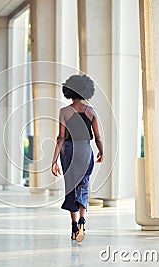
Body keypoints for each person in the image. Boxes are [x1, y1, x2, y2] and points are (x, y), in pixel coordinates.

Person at [51, 74, 103, 242]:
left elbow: (60, 138)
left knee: (71, 186)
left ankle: (74, 225)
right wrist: (101, 151)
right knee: (84, 184)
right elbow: (98, 137)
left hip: (69, 150)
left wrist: (54, 161)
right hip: (85, 150)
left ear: (69, 91)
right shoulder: (91, 112)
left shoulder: (64, 112)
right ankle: (82, 219)